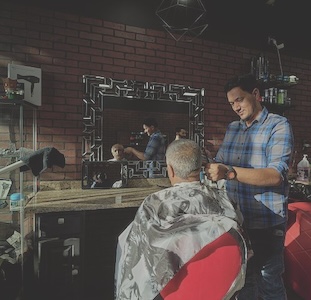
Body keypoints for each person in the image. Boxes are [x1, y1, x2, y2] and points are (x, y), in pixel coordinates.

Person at [114, 139, 246, 300]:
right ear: (200, 166)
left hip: (173, 291)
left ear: (170, 169)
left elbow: (135, 258)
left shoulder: (155, 203)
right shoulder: (225, 199)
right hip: (218, 288)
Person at [205, 73, 294, 300]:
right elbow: (220, 162)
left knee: (269, 282)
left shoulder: (278, 125)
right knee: (242, 282)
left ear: (255, 94)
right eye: (231, 103)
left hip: (266, 222)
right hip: (237, 221)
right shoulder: (233, 128)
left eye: (239, 100)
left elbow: (275, 176)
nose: (235, 107)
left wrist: (230, 172)